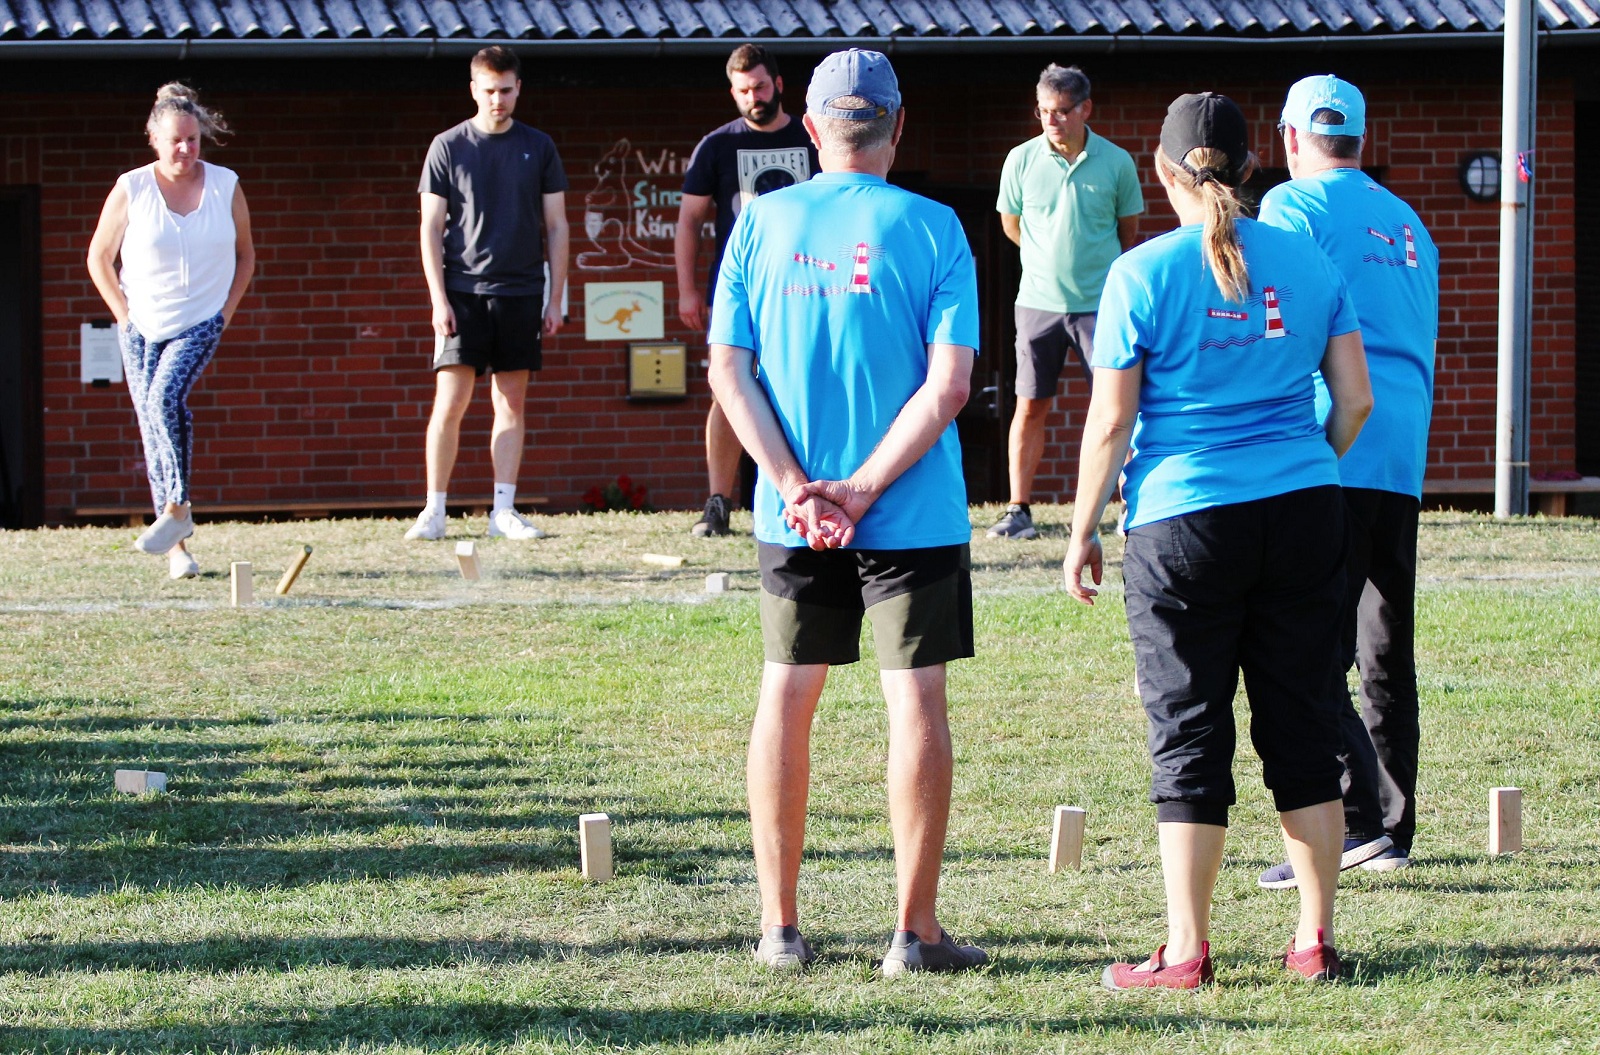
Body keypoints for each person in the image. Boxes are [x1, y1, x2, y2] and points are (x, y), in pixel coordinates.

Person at [1063, 93, 1373, 988]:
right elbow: (1354, 400)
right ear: (1251, 169)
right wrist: (1307, 462)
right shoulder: (1310, 262)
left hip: (1181, 522)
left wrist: (1079, 530)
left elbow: (1111, 422)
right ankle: (1313, 941)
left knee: (1188, 724)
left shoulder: (1141, 272)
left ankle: (1188, 950)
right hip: (1306, 512)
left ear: (1162, 174)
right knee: (1304, 715)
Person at [708, 48, 987, 976]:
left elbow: (727, 370)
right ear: (897, 129)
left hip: (796, 512)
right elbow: (950, 386)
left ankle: (779, 929)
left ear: (813, 126)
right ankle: (914, 932)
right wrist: (866, 485)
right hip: (910, 509)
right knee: (915, 699)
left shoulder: (760, 220)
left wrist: (792, 482)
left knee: (788, 689)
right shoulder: (939, 226)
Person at [1256, 76, 1440, 887]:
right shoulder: (1410, 223)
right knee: (1385, 639)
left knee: (1312, 644)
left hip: (1333, 438)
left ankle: (1350, 819)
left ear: (1292, 139)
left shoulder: (1291, 210)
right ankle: (1390, 825)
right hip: (1403, 446)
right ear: (1360, 140)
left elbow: (1281, 322)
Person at [87, 83, 255, 580]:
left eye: (193, 139)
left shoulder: (225, 185)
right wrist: (122, 314)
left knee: (165, 400)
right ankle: (177, 547)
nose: (185, 149)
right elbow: (99, 256)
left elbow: (246, 255)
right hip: (140, 322)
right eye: (175, 141)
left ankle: (179, 507)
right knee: (152, 428)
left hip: (201, 318)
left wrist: (224, 312)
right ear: (154, 140)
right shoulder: (132, 186)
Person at [405, 45, 570, 542]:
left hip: (521, 292)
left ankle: (503, 509)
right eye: (489, 90)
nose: (497, 99)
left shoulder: (538, 146)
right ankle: (434, 511)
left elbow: (558, 226)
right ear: (474, 89)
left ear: (518, 88)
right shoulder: (448, 146)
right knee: (450, 401)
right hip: (462, 291)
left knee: (511, 403)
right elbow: (429, 227)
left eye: (506, 90)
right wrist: (438, 299)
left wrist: (555, 297)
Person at [989, 64, 1143, 540]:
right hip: (1036, 303)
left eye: (1061, 112)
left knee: (1119, 408)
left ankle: (1128, 506)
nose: (1051, 121)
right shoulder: (1020, 159)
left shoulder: (1117, 161)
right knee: (1030, 405)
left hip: (1103, 306)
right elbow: (1011, 225)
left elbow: (1128, 232)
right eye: (1044, 112)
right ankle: (1018, 511)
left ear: (1085, 109)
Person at [677, 44, 819, 537]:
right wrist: (688, 291)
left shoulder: (814, 138)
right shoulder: (716, 146)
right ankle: (719, 502)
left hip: (810, 288)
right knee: (728, 388)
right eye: (742, 90)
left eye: (760, 87)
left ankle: (806, 492)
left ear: (778, 84)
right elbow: (690, 221)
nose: (753, 97)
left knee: (803, 387)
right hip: (740, 291)